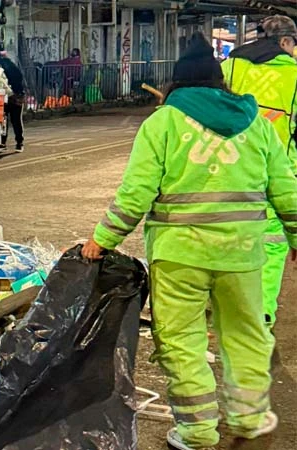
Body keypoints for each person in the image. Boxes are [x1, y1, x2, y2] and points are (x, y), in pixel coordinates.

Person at [81, 34, 297, 450]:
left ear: (176, 83)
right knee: (247, 336)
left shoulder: (163, 122)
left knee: (183, 343)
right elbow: (286, 190)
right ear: (221, 83)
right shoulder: (257, 124)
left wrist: (102, 241)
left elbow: (136, 193)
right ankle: (248, 420)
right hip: (243, 256)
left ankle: (197, 433)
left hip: (180, 256)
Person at [221, 15, 297, 326]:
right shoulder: (294, 74)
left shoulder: (231, 67)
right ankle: (261, 311)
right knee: (273, 245)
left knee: (229, 239)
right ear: (283, 42)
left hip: (229, 168)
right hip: (278, 173)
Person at [0, 47, 25, 152]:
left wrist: (13, 92)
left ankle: (19, 143)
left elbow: (16, 79)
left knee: (15, 120)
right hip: (1, 97)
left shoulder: (5, 67)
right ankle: (2, 143)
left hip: (15, 96)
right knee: (2, 120)